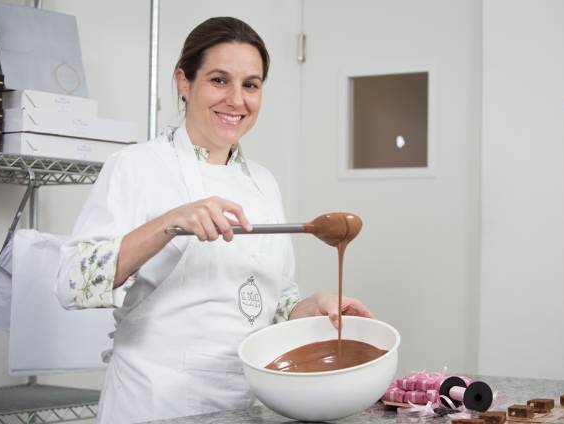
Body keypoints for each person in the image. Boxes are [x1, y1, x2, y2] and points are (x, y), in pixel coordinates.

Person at [56, 16, 374, 423]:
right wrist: (170, 222)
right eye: (219, 80)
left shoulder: (263, 183)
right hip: (154, 402)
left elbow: (267, 302)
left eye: (251, 85)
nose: (236, 100)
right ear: (184, 82)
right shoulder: (135, 166)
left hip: (242, 403)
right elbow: (72, 281)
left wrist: (309, 307)